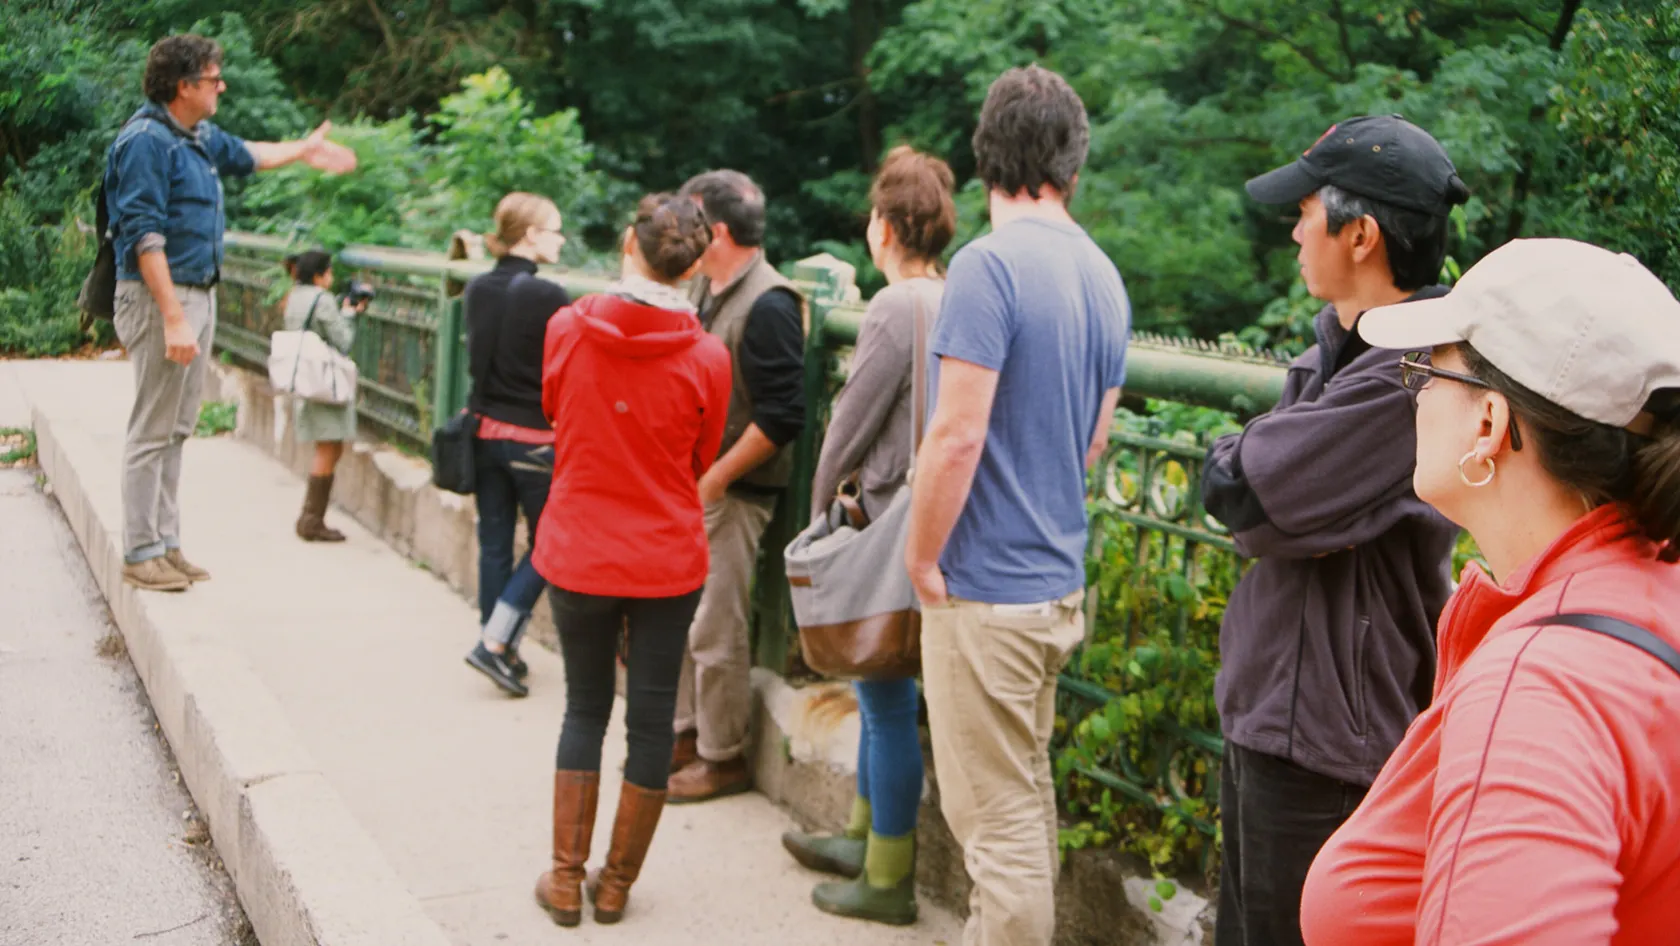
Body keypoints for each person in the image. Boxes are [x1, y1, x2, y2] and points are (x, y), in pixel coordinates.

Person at [1298, 238, 1680, 945]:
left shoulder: (1542, 691)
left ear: (1488, 424)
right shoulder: (1648, 599)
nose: (1414, 396)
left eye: (1426, 372)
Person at [1200, 115, 1470, 946]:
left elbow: (1252, 496)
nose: (1292, 228)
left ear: (1361, 234)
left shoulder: (1414, 370)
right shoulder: (1338, 351)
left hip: (1327, 742)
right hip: (1271, 713)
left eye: (1306, 210)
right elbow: (1242, 493)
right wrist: (1281, 509)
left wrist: (1273, 503)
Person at [903, 65, 1130, 946]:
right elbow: (1093, 443)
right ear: (1072, 165)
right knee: (1024, 799)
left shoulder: (987, 267)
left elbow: (955, 438)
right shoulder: (1105, 277)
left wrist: (923, 560)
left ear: (984, 156)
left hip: (984, 591)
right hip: (1053, 585)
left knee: (993, 830)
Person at [531, 194, 731, 927]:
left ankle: (562, 878)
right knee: (650, 721)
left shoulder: (566, 329)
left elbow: (554, 408)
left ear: (628, 243)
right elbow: (702, 456)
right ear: (695, 264)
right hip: (665, 556)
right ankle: (614, 887)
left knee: (584, 705)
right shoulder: (709, 356)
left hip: (580, 545)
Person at [106, 33, 355, 592]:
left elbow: (250, 154)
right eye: (214, 79)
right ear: (184, 86)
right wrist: (172, 315)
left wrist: (305, 150)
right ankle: (140, 549)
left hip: (198, 293)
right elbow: (142, 233)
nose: (223, 86)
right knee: (152, 428)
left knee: (176, 428)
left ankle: (165, 546)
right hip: (161, 298)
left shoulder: (195, 135)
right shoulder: (147, 141)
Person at [781, 146, 956, 927]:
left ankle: (887, 877)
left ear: (882, 227)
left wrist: (819, 528)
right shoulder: (954, 296)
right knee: (887, 694)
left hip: (885, 528)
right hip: (938, 527)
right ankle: (860, 837)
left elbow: (846, 432)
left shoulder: (894, 307)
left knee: (886, 702)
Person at [666, 169, 806, 803]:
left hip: (734, 490)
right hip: (700, 483)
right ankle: (686, 735)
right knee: (685, 619)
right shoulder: (706, 287)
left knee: (716, 626)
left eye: (693, 221)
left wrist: (716, 477)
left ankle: (722, 757)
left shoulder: (770, 302)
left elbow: (781, 416)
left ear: (717, 229)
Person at [460, 193, 570, 698]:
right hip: (534, 441)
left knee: (495, 545)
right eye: (553, 230)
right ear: (529, 235)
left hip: (483, 434)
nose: (561, 239)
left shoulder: (477, 288)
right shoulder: (549, 297)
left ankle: (498, 643)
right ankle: (497, 643)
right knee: (549, 543)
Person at [283, 250, 364, 541]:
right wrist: (350, 314)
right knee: (328, 447)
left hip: (306, 380)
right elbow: (343, 340)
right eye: (328, 272)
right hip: (324, 383)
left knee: (327, 445)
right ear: (320, 275)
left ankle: (311, 518)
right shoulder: (322, 299)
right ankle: (311, 519)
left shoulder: (295, 296)